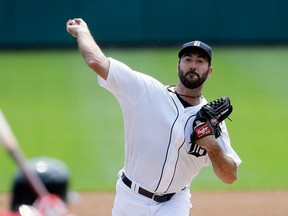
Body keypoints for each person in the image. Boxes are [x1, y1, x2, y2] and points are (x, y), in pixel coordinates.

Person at [66, 18, 242, 216]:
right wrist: (82, 31)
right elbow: (96, 61)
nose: (193, 65)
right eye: (188, 59)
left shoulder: (213, 121)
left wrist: (213, 148)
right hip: (131, 199)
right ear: (178, 66)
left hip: (175, 203)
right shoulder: (146, 92)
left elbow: (230, 176)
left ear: (209, 71)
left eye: (200, 61)